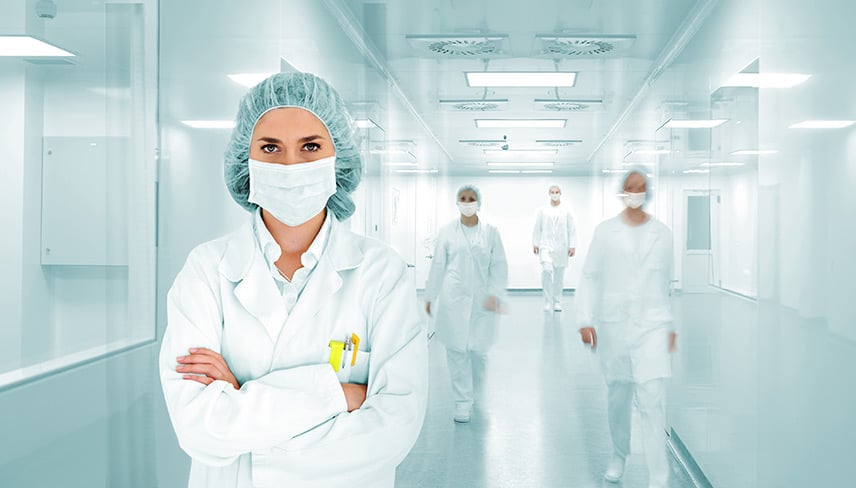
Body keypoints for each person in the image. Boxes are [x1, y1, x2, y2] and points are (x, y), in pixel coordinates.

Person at [159, 72, 428, 488]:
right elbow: (198, 428)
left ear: (338, 157)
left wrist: (242, 406)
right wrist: (339, 394)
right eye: (270, 148)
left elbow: (393, 429)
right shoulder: (206, 269)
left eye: (311, 147)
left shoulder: (381, 273)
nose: (290, 165)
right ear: (245, 159)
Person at [575, 168, 677, 488]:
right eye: (630, 187)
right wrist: (585, 319)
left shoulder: (663, 234)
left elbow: (667, 283)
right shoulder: (606, 232)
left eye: (641, 187)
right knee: (619, 398)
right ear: (622, 191)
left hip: (652, 326)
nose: (635, 192)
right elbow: (590, 276)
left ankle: (658, 477)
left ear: (649, 192)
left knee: (652, 401)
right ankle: (619, 455)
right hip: (615, 325)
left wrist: (671, 325)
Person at [424, 185, 508, 423]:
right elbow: (438, 265)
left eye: (472, 199)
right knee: (456, 352)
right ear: (457, 202)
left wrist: (495, 293)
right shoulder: (447, 232)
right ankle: (462, 403)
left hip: (482, 300)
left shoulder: (491, 232)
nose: (467, 202)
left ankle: (477, 396)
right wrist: (431, 295)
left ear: (479, 202)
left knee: (479, 352)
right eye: (463, 198)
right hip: (454, 299)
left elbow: (499, 265)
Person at [532, 184, 577, 312]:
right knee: (547, 271)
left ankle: (557, 302)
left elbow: (572, 229)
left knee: (559, 277)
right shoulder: (543, 210)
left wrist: (572, 246)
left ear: (560, 194)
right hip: (545, 245)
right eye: (552, 192)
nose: (554, 194)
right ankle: (547, 301)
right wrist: (535, 243)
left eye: (557, 192)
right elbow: (537, 227)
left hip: (561, 247)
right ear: (549, 194)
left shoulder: (566, 210)